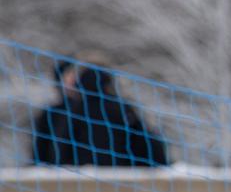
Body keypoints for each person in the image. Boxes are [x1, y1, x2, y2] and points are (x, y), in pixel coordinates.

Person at [30, 52, 170, 167]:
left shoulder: (72, 111)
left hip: (79, 184)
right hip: (120, 182)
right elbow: (149, 145)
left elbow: (57, 149)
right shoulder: (122, 108)